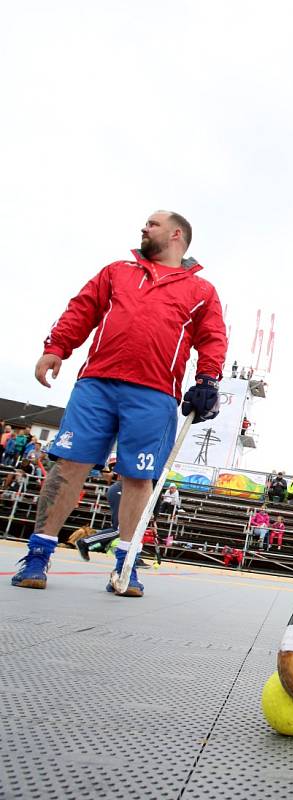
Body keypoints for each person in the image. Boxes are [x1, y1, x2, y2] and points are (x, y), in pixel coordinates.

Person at [10, 210, 227, 597]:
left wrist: (207, 379)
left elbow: (212, 338)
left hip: (156, 392)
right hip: (97, 385)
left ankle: (126, 565)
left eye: (153, 223)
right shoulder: (117, 271)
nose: (144, 227)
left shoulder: (201, 291)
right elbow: (82, 309)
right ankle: (38, 555)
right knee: (70, 466)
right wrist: (56, 347)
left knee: (139, 478)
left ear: (176, 234)